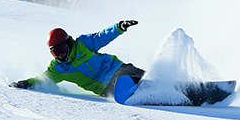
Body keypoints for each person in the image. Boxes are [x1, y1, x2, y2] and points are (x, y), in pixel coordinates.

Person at [10, 20, 145, 98]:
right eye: (55, 53)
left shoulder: (83, 44)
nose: (60, 55)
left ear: (67, 44)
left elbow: (102, 37)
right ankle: (140, 96)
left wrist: (118, 27)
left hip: (116, 69)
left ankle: (158, 87)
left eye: (61, 50)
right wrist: (25, 83)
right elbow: (43, 80)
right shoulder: (58, 69)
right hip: (104, 87)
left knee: (136, 76)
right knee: (119, 86)